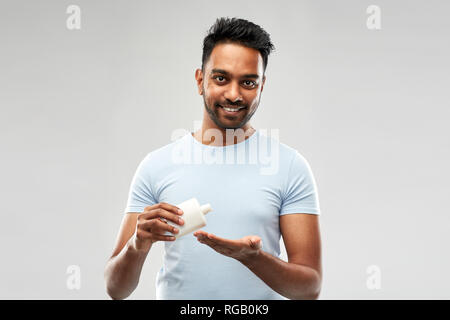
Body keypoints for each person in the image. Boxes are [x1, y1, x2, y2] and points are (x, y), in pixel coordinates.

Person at [104, 17, 322, 300]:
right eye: (221, 78)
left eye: (248, 82)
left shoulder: (290, 167)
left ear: (262, 86)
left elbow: (310, 289)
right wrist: (138, 243)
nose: (234, 94)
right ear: (200, 80)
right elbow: (115, 289)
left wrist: (252, 258)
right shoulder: (156, 166)